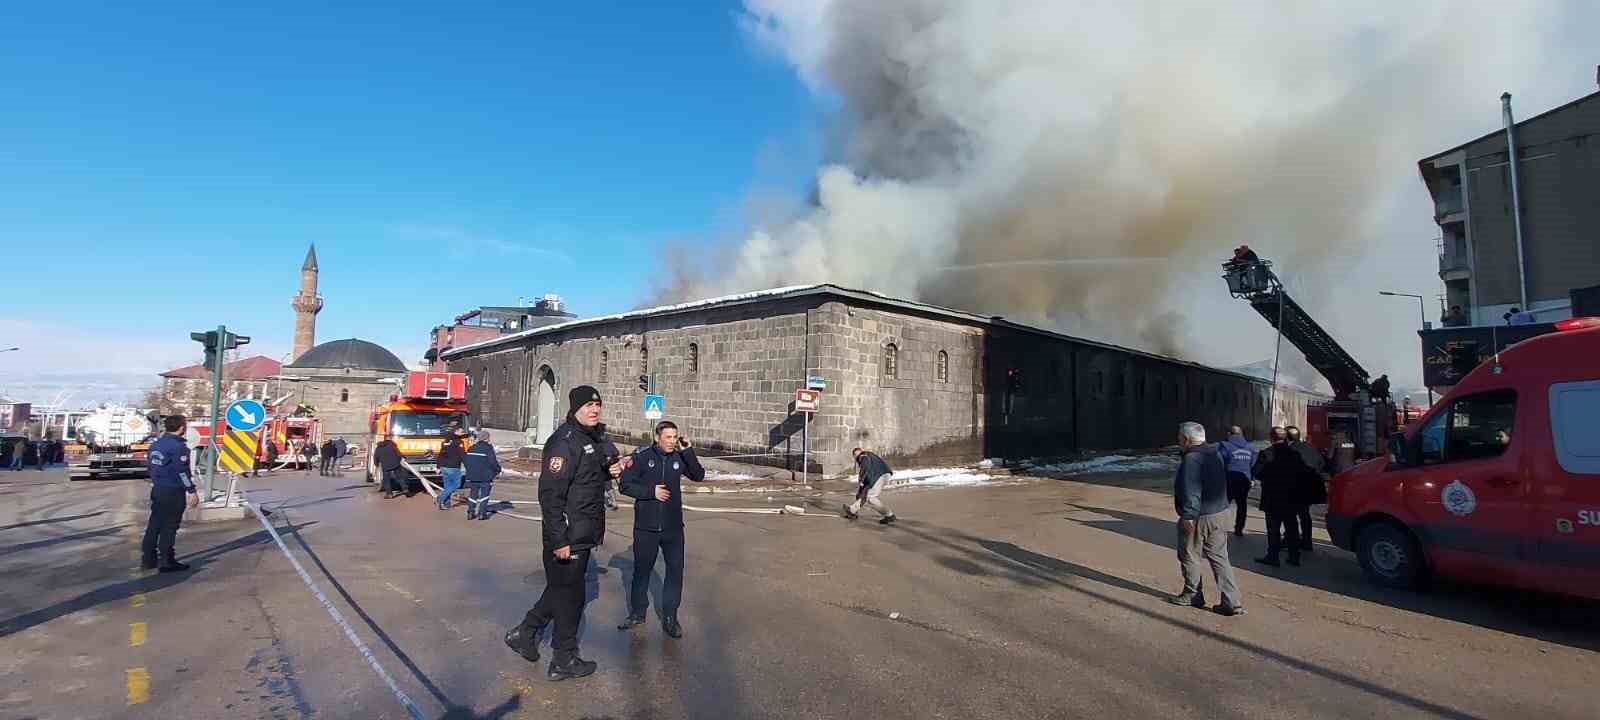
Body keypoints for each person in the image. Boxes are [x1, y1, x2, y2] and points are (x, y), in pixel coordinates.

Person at [504, 385, 624, 682]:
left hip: (582, 533)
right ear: (574, 409)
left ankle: (526, 633)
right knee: (570, 598)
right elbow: (550, 495)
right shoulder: (564, 442)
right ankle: (563, 658)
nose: (594, 409)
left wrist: (610, 471)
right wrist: (559, 540)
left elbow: (588, 476)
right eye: (588, 405)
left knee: (562, 592)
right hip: (568, 537)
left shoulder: (589, 438)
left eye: (598, 404)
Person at [617, 421, 705, 638]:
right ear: (657, 437)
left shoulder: (679, 458)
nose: (672, 441)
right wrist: (651, 491)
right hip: (646, 528)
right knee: (642, 571)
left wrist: (689, 451)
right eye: (668, 437)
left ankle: (670, 617)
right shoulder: (642, 458)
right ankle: (638, 613)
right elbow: (625, 485)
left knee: (675, 572)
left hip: (673, 528)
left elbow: (698, 475)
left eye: (675, 437)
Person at [1169, 421, 1244, 616]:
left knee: (1190, 554)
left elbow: (1192, 489)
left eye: (1179, 438)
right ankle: (1232, 601)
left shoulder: (1192, 459)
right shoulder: (1215, 453)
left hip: (1200, 515)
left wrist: (1188, 516)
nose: (1178, 441)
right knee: (1220, 558)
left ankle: (1193, 594)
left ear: (1186, 439)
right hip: (1220, 513)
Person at [142, 415, 198, 573]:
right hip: (173, 491)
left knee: (154, 524)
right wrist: (191, 491)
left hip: (158, 489)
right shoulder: (178, 447)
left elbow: (151, 467)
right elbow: (182, 471)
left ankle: (148, 559)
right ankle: (166, 561)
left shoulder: (156, 444)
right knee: (170, 526)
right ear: (181, 427)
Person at [1252, 427, 1304, 567]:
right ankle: (1294, 556)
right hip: (1291, 495)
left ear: (1271, 437)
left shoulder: (1267, 453)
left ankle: (1273, 556)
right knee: (1291, 526)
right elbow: (1302, 473)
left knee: (1273, 529)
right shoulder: (1295, 454)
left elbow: (1256, 472)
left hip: (1272, 495)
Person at [1286, 426, 1327, 554]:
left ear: (1288, 438)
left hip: (1295, 488)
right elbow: (1322, 463)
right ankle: (1307, 541)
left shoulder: (1289, 450)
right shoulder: (1311, 447)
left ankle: (1291, 541)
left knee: (1290, 515)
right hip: (1309, 488)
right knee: (1304, 515)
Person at [842, 448, 897, 524]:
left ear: (855, 455)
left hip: (879, 475)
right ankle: (852, 511)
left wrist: (861, 481)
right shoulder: (869, 456)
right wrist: (860, 491)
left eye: (854, 456)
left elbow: (865, 469)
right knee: (866, 494)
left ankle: (889, 515)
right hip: (880, 475)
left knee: (870, 497)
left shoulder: (863, 456)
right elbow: (868, 474)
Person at [1219, 426, 1255, 537]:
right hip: (1244, 481)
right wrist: (1252, 479)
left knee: (1222, 506)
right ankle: (1239, 529)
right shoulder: (1250, 448)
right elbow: (1253, 465)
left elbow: (1218, 462)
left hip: (1229, 480)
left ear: (1230, 434)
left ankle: (1220, 529)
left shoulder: (1225, 446)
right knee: (1242, 506)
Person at [464, 430, 500, 520]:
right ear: (487, 438)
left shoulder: (472, 447)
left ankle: (470, 512)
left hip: (473, 476)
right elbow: (493, 462)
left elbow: (466, 461)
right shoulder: (488, 448)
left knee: (473, 495)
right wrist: (498, 470)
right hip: (485, 476)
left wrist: (470, 471)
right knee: (485, 495)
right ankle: (481, 513)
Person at [438, 428, 466, 511]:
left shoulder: (445, 441)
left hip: (444, 467)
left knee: (447, 486)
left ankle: (446, 504)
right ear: (456, 432)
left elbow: (440, 455)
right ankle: (441, 498)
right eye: (461, 431)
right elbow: (462, 455)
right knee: (456, 484)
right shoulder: (459, 442)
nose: (463, 433)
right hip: (453, 467)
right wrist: (469, 465)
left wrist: (438, 466)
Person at [373, 433, 405, 499]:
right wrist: (403, 458)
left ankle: (389, 494)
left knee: (386, 480)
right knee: (400, 477)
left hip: (385, 466)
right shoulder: (392, 445)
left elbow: (376, 457)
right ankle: (405, 489)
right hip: (395, 464)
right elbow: (398, 453)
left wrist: (376, 464)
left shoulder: (379, 447)